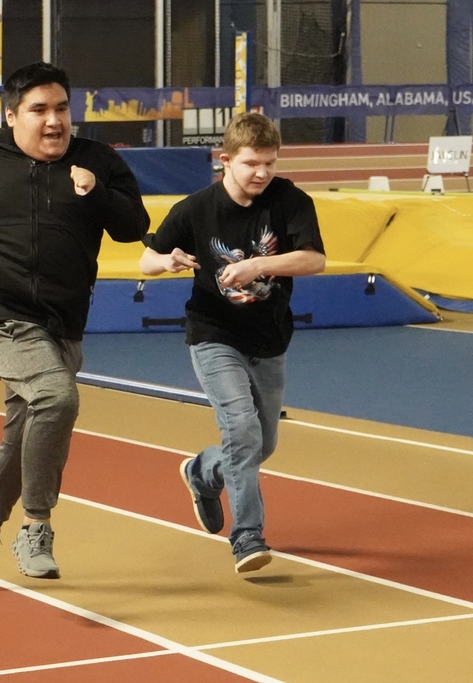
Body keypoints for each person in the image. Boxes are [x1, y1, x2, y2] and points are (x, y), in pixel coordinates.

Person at [0, 62, 150, 583]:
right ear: (12, 115)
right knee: (57, 399)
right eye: (40, 110)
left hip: (63, 322)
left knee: (27, 433)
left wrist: (97, 193)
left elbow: (135, 227)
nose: (54, 121)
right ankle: (36, 526)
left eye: (62, 109)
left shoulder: (97, 160)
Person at [139, 112, 325, 573]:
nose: (261, 173)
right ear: (225, 161)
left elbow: (314, 259)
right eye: (250, 164)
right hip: (213, 333)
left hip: (270, 337)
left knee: (261, 444)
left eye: (269, 163)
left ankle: (202, 473)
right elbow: (146, 259)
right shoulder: (195, 208)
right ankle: (247, 536)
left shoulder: (289, 200)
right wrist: (168, 260)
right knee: (241, 431)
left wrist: (258, 267)